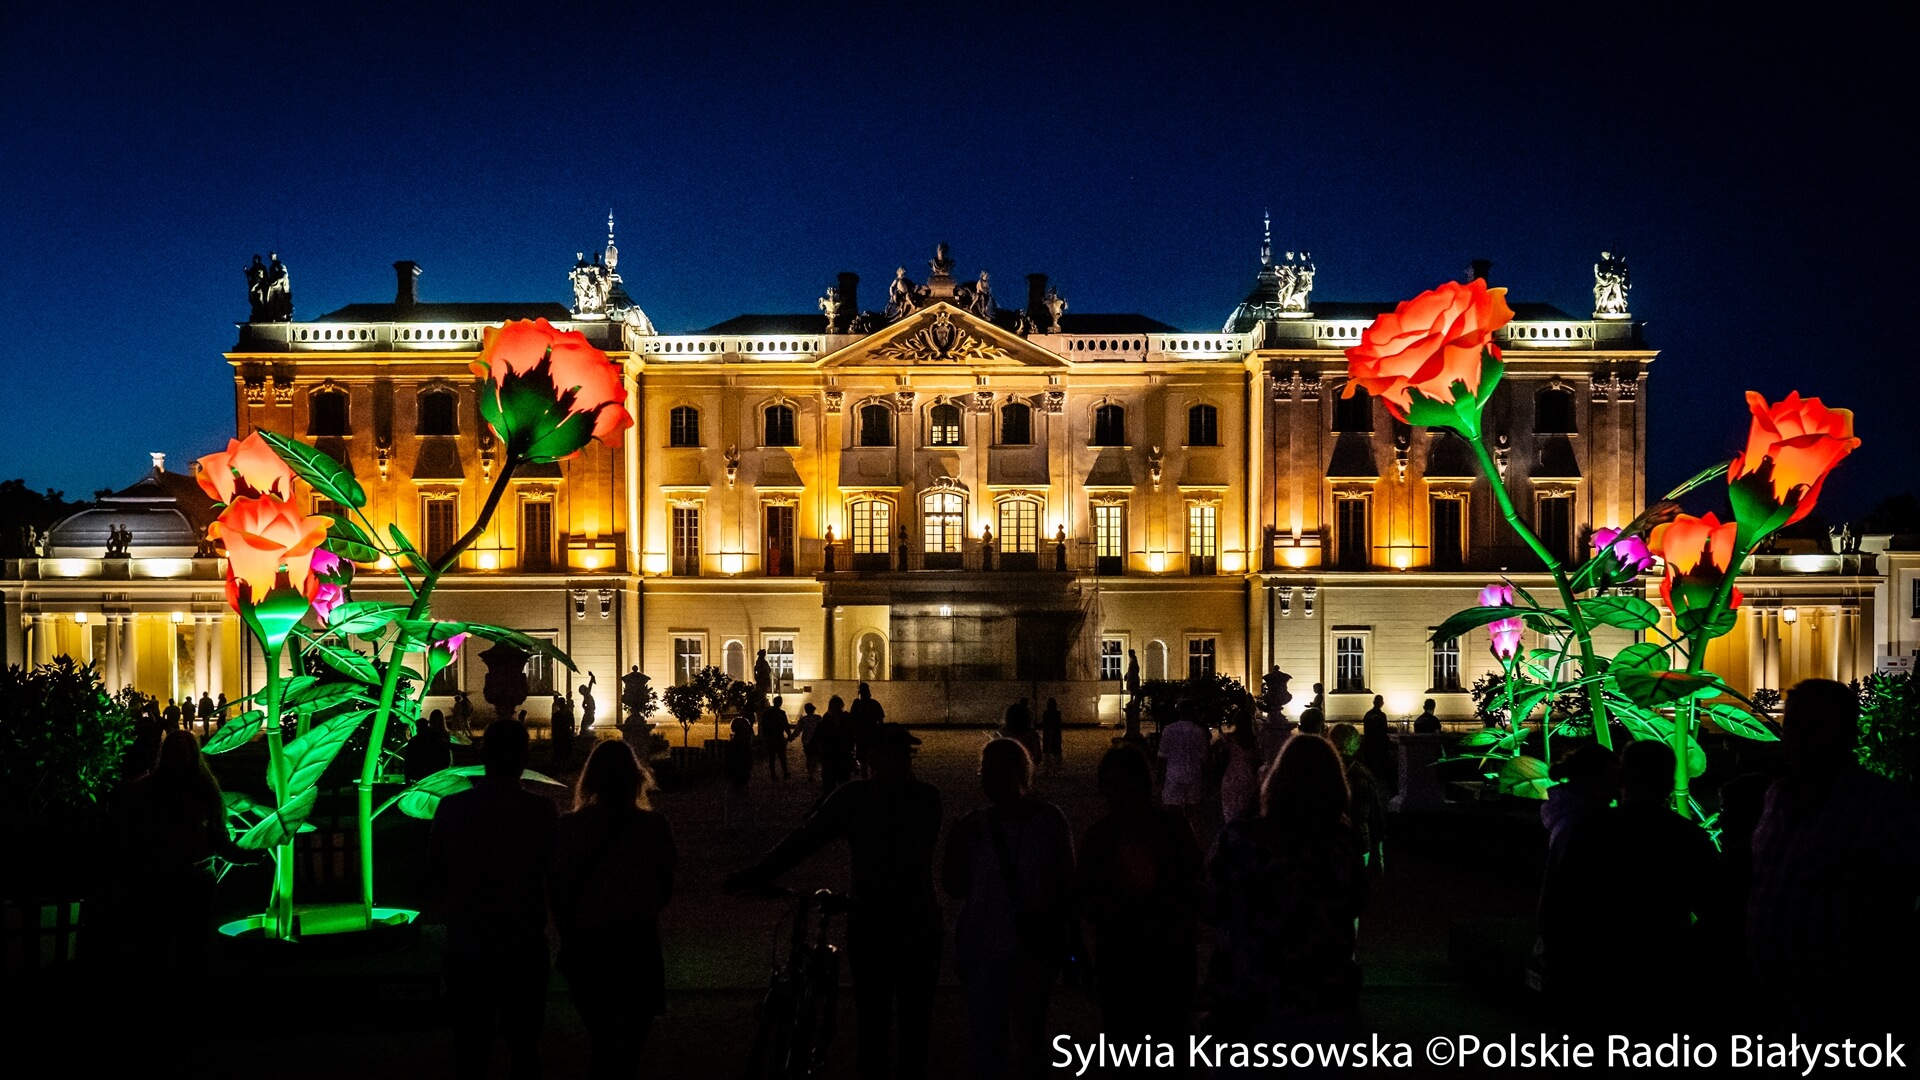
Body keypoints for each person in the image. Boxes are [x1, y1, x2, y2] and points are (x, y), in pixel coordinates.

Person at [729, 726, 942, 1080]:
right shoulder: (926, 798)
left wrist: (757, 874)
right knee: (913, 1026)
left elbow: (805, 840)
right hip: (917, 923)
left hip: (874, 923)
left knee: (874, 1025)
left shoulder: (857, 798)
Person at [1748, 679, 1920, 1035]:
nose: (1794, 737)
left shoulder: (1880, 804)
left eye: (1812, 726)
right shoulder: (1776, 797)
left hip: (1845, 1007)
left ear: (1844, 733)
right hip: (1777, 1005)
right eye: (1791, 724)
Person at [1204, 734, 1366, 1040]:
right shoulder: (1343, 845)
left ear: (1276, 782)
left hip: (1251, 996)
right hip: (1324, 997)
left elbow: (1212, 905)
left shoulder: (1241, 839)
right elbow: (1356, 904)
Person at [429, 719, 557, 1080]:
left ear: (483, 757)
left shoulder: (452, 809)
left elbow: (434, 871)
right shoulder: (541, 811)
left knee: (470, 1047)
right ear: (523, 758)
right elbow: (555, 874)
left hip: (468, 941)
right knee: (525, 1047)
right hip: (524, 941)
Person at [943, 738, 1076, 1079]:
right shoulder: (978, 826)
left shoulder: (1047, 822)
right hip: (990, 948)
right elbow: (955, 885)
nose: (989, 780)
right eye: (985, 772)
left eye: (996, 772)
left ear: (1019, 774)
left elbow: (1065, 886)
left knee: (1019, 1042)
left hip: (1024, 948)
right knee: (996, 1044)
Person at [550, 740, 676, 1080]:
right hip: (637, 942)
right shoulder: (654, 827)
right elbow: (666, 885)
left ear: (590, 780)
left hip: (588, 944)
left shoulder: (568, 828)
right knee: (631, 1047)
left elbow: (558, 893)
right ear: (637, 779)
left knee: (600, 1040)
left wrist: (570, 934)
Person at [109, 729, 252, 1003]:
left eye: (183, 751)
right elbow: (217, 838)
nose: (180, 757)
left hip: (179, 878)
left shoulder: (151, 790)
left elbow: (216, 837)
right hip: (177, 878)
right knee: (170, 945)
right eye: (177, 750)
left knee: (176, 946)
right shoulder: (201, 790)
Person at [1078, 743, 1204, 1041]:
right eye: (1109, 787)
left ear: (1141, 786)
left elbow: (1194, 884)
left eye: (1123, 786)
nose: (1115, 795)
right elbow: (1082, 895)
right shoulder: (1100, 836)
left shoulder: (1171, 830)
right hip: (1123, 960)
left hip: (1166, 958)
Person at [1327, 723, 1386, 872]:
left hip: (1329, 838)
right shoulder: (1364, 774)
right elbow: (1376, 815)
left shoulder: (1322, 770)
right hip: (1359, 838)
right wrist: (1379, 854)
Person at [1157, 701, 1210, 829]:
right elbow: (1204, 758)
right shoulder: (1199, 731)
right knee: (1192, 811)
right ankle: (1190, 834)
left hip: (1174, 774)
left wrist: (1160, 776)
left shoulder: (1169, 730)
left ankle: (1175, 834)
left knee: (1173, 809)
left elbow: (1162, 755)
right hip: (1193, 773)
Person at [1218, 714, 1261, 825]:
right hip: (1248, 775)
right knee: (1246, 808)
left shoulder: (1229, 739)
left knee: (1230, 809)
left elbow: (1220, 755)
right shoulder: (1255, 741)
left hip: (1231, 775)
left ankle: (1231, 830)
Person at [814, 695, 857, 799]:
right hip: (843, 758)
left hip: (829, 759)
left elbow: (815, 741)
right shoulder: (847, 721)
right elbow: (853, 738)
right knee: (844, 787)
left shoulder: (823, 723)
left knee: (829, 789)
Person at [724, 708, 755, 827]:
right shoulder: (743, 745)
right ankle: (744, 824)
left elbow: (727, 762)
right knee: (744, 802)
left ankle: (732, 824)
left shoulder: (732, 744)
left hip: (733, 777)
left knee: (732, 803)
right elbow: (747, 761)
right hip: (740, 776)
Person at [404, 709, 454, 783]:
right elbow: (445, 753)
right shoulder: (440, 736)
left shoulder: (415, 741)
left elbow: (408, 760)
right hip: (436, 770)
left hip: (422, 772)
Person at [1359, 695, 1394, 793]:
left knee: (1370, 767)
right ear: (1382, 703)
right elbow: (1384, 731)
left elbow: (1366, 730)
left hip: (1370, 744)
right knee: (1383, 768)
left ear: (1373, 702)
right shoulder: (1382, 716)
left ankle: (1369, 787)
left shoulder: (1367, 715)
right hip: (1380, 745)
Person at [849, 682, 885, 776]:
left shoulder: (857, 704)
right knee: (871, 756)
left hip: (861, 734)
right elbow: (880, 719)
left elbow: (852, 719)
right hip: (871, 733)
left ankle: (865, 775)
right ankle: (871, 774)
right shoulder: (874, 703)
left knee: (863, 758)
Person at [760, 694, 792, 781]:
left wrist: (764, 736)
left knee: (772, 757)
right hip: (779, 737)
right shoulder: (781, 713)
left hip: (770, 738)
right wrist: (789, 735)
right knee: (782, 757)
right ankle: (785, 773)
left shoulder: (766, 713)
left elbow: (764, 726)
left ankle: (773, 774)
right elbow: (786, 725)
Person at [796, 701, 822, 781]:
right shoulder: (818, 718)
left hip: (806, 741)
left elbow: (798, 730)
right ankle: (813, 772)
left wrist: (791, 737)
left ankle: (810, 774)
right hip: (817, 741)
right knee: (815, 757)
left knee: (809, 757)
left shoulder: (803, 719)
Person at [551, 690, 576, 767]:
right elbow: (573, 723)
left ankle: (561, 765)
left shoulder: (556, 715)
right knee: (566, 750)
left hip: (560, 734)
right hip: (565, 734)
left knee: (560, 750)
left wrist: (553, 735)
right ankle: (565, 765)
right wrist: (572, 732)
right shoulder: (568, 713)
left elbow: (553, 726)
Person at [1039, 697, 1063, 776]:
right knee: (1056, 753)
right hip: (1056, 735)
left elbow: (1045, 724)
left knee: (1047, 753)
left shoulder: (1046, 713)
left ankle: (1047, 770)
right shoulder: (1057, 713)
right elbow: (1058, 724)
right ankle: (1056, 770)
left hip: (1047, 734)